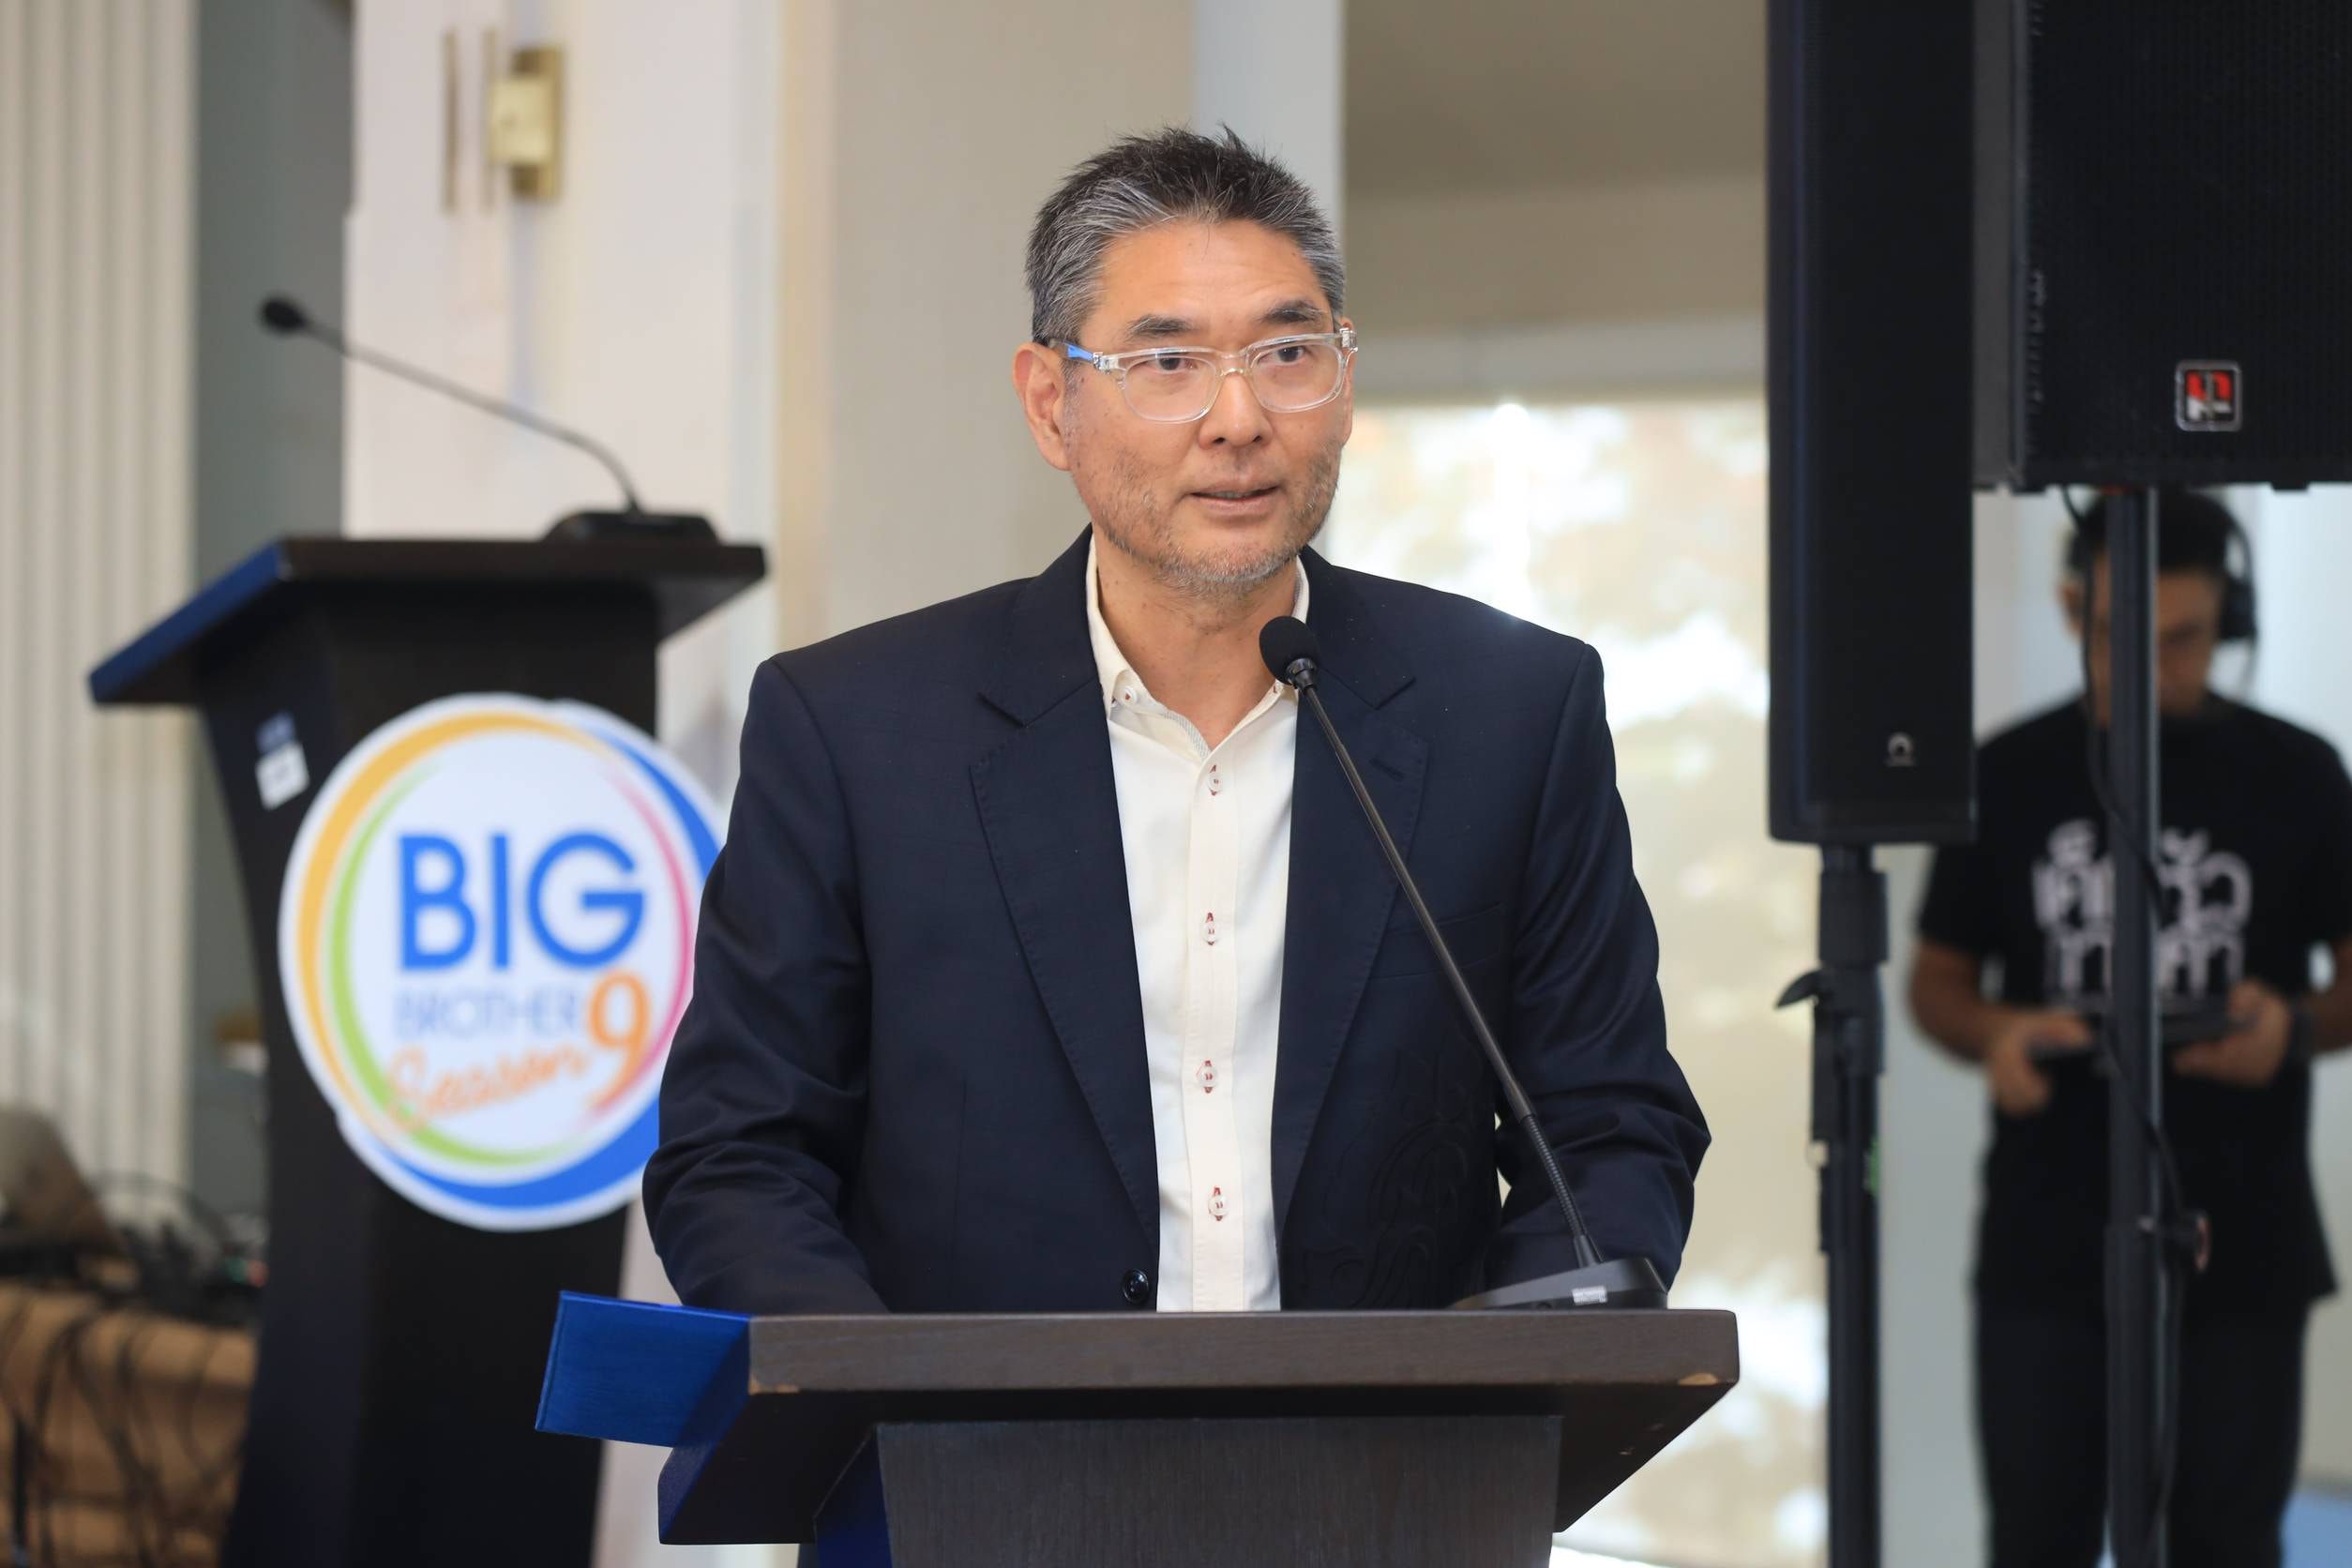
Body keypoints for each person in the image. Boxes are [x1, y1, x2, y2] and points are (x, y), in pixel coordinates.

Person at [644, 128, 1706, 1318]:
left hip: (1397, 1436)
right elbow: (739, 1157)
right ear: (1050, 404)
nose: (1239, 417)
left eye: (1289, 352)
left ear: (1345, 382)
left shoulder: (1509, 716)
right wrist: (886, 1400)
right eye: (1168, 363)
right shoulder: (856, 733)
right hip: (966, 1437)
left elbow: (1609, 1130)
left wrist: (1499, 1381)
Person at [1908, 489, 2352, 1568]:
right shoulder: (2006, 773)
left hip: (2243, 1244)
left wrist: (2291, 1027)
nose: (2153, 668)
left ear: (2227, 622)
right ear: (2073, 610)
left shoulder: (2300, 773)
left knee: (2228, 1542)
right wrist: (1998, 1034)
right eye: (2121, 635)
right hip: (2045, 1245)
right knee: (2037, 1539)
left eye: (2184, 638)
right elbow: (1936, 983)